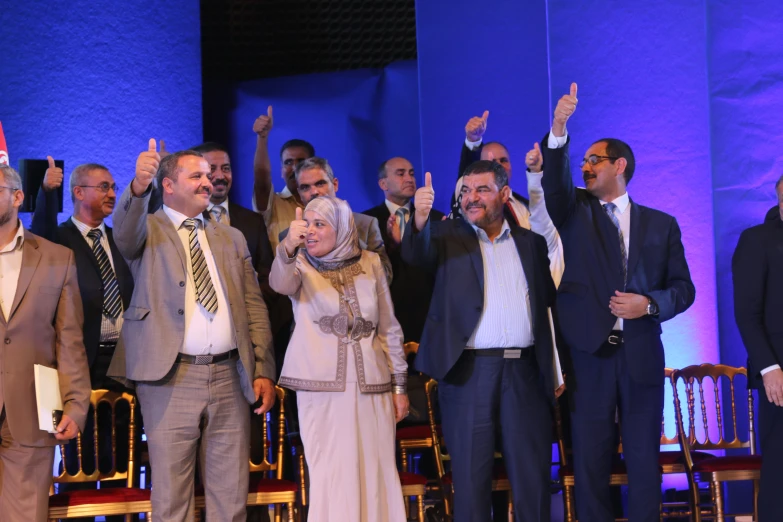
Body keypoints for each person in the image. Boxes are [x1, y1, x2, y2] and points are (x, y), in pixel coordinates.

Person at [541, 83, 695, 522]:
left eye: (595, 160)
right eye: (584, 160)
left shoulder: (662, 225)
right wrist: (558, 129)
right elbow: (555, 182)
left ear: (620, 166)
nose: (586, 167)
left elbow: (684, 289)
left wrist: (647, 304)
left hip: (642, 352)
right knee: (590, 456)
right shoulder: (574, 210)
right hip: (590, 353)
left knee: (645, 456)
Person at [107, 140, 276, 521]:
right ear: (167, 185)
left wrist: (263, 368)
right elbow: (124, 229)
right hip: (171, 377)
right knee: (172, 497)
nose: (208, 180)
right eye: (196, 175)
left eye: (210, 174)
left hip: (231, 376)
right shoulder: (146, 230)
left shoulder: (230, 236)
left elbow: (253, 307)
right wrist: (137, 185)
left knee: (231, 496)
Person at [401, 162, 559, 521]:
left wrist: (555, 371)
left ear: (504, 194)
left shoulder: (530, 243)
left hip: (525, 371)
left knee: (532, 477)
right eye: (465, 191)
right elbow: (415, 255)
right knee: (471, 480)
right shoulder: (446, 237)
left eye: (481, 190)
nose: (471, 198)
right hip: (468, 372)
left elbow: (547, 304)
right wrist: (421, 218)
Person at [270, 195, 408, 521]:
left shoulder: (371, 262)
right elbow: (279, 282)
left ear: (344, 228)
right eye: (308, 224)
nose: (312, 232)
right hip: (321, 391)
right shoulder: (299, 263)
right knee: (332, 471)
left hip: (373, 387)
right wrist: (288, 246)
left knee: (376, 470)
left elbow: (388, 327)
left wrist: (399, 386)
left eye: (321, 224)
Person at [30, 159, 138, 520]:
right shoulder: (58, 239)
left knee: (119, 467)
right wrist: (47, 192)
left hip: (121, 368)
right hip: (78, 368)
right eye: (104, 187)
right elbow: (38, 232)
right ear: (78, 193)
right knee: (79, 468)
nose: (112, 193)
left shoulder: (118, 239)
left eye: (112, 187)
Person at [0, 165, 90, 521]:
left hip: (32, 408)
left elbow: (70, 340)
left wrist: (75, 403)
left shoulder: (56, 258)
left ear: (18, 197)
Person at [732, 176, 783, 522]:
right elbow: (747, 315)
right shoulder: (757, 241)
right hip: (779, 371)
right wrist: (769, 368)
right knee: (780, 470)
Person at [362, 157, 444, 342]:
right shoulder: (366, 221)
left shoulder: (437, 219)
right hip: (386, 316)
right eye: (401, 173)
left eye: (412, 173)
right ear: (383, 183)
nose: (409, 178)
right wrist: (392, 246)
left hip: (428, 317)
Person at [280, 156, 393, 283]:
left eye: (320, 183)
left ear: (335, 185)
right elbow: (284, 284)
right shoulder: (289, 237)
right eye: (306, 187)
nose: (314, 192)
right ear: (299, 193)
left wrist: (352, 243)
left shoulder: (366, 224)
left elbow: (385, 277)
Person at [451, 111, 530, 226]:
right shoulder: (474, 203)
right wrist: (473, 140)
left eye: (503, 160)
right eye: (492, 163)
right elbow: (467, 177)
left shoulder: (525, 206)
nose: (499, 166)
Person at [251, 106, 314, 250]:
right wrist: (262, 138)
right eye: (288, 162)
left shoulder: (326, 205)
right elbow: (261, 180)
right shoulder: (272, 204)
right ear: (281, 171)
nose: (295, 167)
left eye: (301, 161)